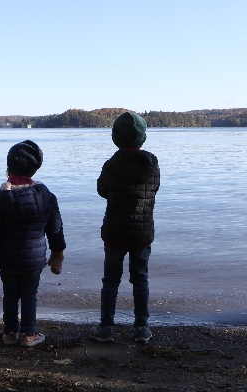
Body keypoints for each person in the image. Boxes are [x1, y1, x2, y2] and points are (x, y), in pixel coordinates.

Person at [0, 140, 65, 347]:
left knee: (10, 295)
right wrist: (57, 255)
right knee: (29, 295)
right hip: (34, 260)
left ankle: (9, 333)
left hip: (7, 259)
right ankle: (28, 334)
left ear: (8, 168)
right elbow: (55, 229)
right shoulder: (46, 196)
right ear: (35, 168)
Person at [90, 111, 160, 344]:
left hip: (114, 232)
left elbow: (101, 190)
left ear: (116, 138)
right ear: (142, 137)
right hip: (142, 232)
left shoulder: (112, 164)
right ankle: (142, 327)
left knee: (110, 280)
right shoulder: (151, 164)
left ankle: (107, 327)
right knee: (140, 279)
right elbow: (154, 189)